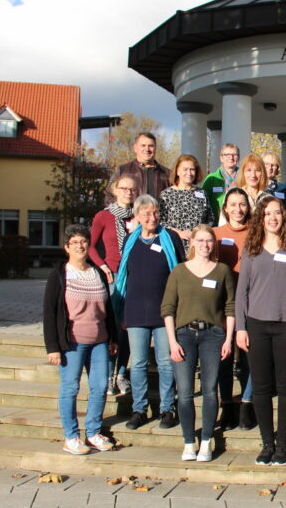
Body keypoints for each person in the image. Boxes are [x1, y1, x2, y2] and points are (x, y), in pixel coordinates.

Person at [235, 196, 286, 466]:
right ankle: (267, 443)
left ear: (284, 216)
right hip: (256, 324)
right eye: (267, 213)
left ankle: (283, 445)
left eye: (277, 213)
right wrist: (241, 328)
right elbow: (241, 291)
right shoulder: (252, 249)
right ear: (261, 217)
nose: (272, 218)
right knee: (261, 387)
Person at [161, 225, 235, 462]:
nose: (205, 245)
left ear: (214, 244)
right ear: (191, 242)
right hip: (183, 335)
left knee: (210, 390)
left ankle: (205, 440)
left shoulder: (222, 271)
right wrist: (172, 341)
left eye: (209, 241)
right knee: (184, 392)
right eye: (200, 240)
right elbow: (168, 309)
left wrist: (228, 338)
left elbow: (230, 307)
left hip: (213, 335)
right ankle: (188, 441)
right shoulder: (179, 272)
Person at [112, 195, 185, 430]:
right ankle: (139, 409)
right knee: (140, 363)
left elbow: (180, 272)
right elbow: (124, 276)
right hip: (134, 311)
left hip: (164, 313)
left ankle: (166, 409)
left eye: (155, 212)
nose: (152, 217)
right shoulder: (130, 242)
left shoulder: (170, 238)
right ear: (137, 216)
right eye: (146, 214)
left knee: (165, 363)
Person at [44, 225, 118, 455]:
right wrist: (53, 347)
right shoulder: (60, 275)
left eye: (83, 241)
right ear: (67, 247)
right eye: (74, 242)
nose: (80, 246)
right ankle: (72, 437)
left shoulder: (97, 273)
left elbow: (109, 309)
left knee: (100, 387)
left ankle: (94, 432)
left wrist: (113, 337)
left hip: (100, 341)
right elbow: (49, 312)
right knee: (70, 388)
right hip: (72, 342)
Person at [90, 173, 137, 395]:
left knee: (127, 327)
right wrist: (103, 266)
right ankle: (108, 375)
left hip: (134, 276)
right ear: (115, 190)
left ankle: (121, 374)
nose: (129, 192)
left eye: (132, 189)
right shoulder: (104, 216)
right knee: (112, 327)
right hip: (114, 277)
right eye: (124, 188)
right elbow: (90, 246)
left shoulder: (138, 215)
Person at [212, 188, 252, 430]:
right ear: (225, 208)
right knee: (224, 358)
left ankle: (247, 404)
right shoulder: (215, 234)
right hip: (221, 304)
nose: (238, 209)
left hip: (250, 302)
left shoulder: (257, 233)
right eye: (233, 204)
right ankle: (227, 404)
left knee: (249, 357)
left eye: (242, 204)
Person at [159, 154, 214, 245]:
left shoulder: (202, 193)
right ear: (177, 172)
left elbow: (210, 219)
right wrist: (178, 233)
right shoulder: (166, 194)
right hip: (174, 243)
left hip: (198, 246)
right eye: (185, 169)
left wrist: (200, 234)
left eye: (192, 169)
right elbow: (160, 221)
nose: (189, 173)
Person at [107, 132, 169, 202]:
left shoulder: (167, 174)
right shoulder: (122, 170)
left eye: (151, 146)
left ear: (155, 148)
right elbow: (109, 197)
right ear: (135, 148)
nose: (147, 149)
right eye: (143, 145)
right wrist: (124, 212)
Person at [202, 143, 241, 221]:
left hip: (239, 222)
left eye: (234, 154)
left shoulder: (244, 177)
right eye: (227, 155)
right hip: (216, 224)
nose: (231, 157)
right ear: (221, 158)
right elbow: (203, 203)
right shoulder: (211, 179)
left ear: (239, 157)